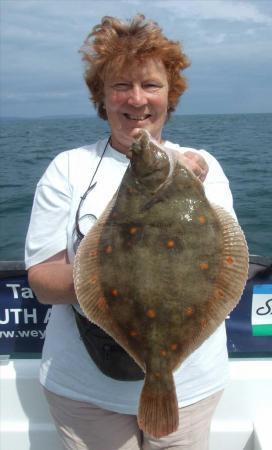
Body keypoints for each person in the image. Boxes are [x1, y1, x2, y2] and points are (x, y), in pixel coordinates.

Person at [25, 15, 237, 450]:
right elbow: (44, 283)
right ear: (102, 97)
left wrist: (191, 182)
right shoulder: (67, 169)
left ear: (169, 96)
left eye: (151, 85)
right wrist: (111, 276)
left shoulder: (202, 167)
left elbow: (223, 262)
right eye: (121, 85)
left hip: (190, 388)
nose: (136, 99)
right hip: (85, 392)